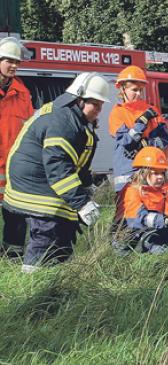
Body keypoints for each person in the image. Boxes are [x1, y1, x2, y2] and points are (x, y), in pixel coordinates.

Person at [4, 72, 109, 272]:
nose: (99, 110)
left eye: (101, 104)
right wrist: (81, 203)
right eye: (95, 104)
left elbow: (77, 163)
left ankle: (29, 278)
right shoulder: (65, 122)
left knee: (57, 234)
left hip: (23, 188)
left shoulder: (66, 115)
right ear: (79, 98)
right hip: (37, 194)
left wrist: (86, 187)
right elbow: (58, 167)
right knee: (47, 238)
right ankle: (33, 290)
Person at [112, 147, 168, 256]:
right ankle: (166, 257)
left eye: (162, 173)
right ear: (143, 172)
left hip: (153, 232)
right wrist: (166, 221)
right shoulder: (131, 191)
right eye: (155, 173)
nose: (160, 177)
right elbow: (136, 219)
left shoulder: (161, 191)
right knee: (160, 251)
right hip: (131, 238)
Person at [109, 65, 168, 193]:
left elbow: (165, 139)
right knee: (127, 208)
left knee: (154, 205)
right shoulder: (117, 113)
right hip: (126, 170)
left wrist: (147, 144)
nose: (138, 94)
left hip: (151, 168)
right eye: (134, 90)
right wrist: (142, 121)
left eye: (141, 90)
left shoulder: (152, 111)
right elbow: (126, 141)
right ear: (122, 89)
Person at [0, 37, 33, 259]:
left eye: (17, 62)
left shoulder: (23, 94)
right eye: (9, 60)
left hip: (13, 170)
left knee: (16, 217)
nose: (13, 65)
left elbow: (29, 131)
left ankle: (12, 260)